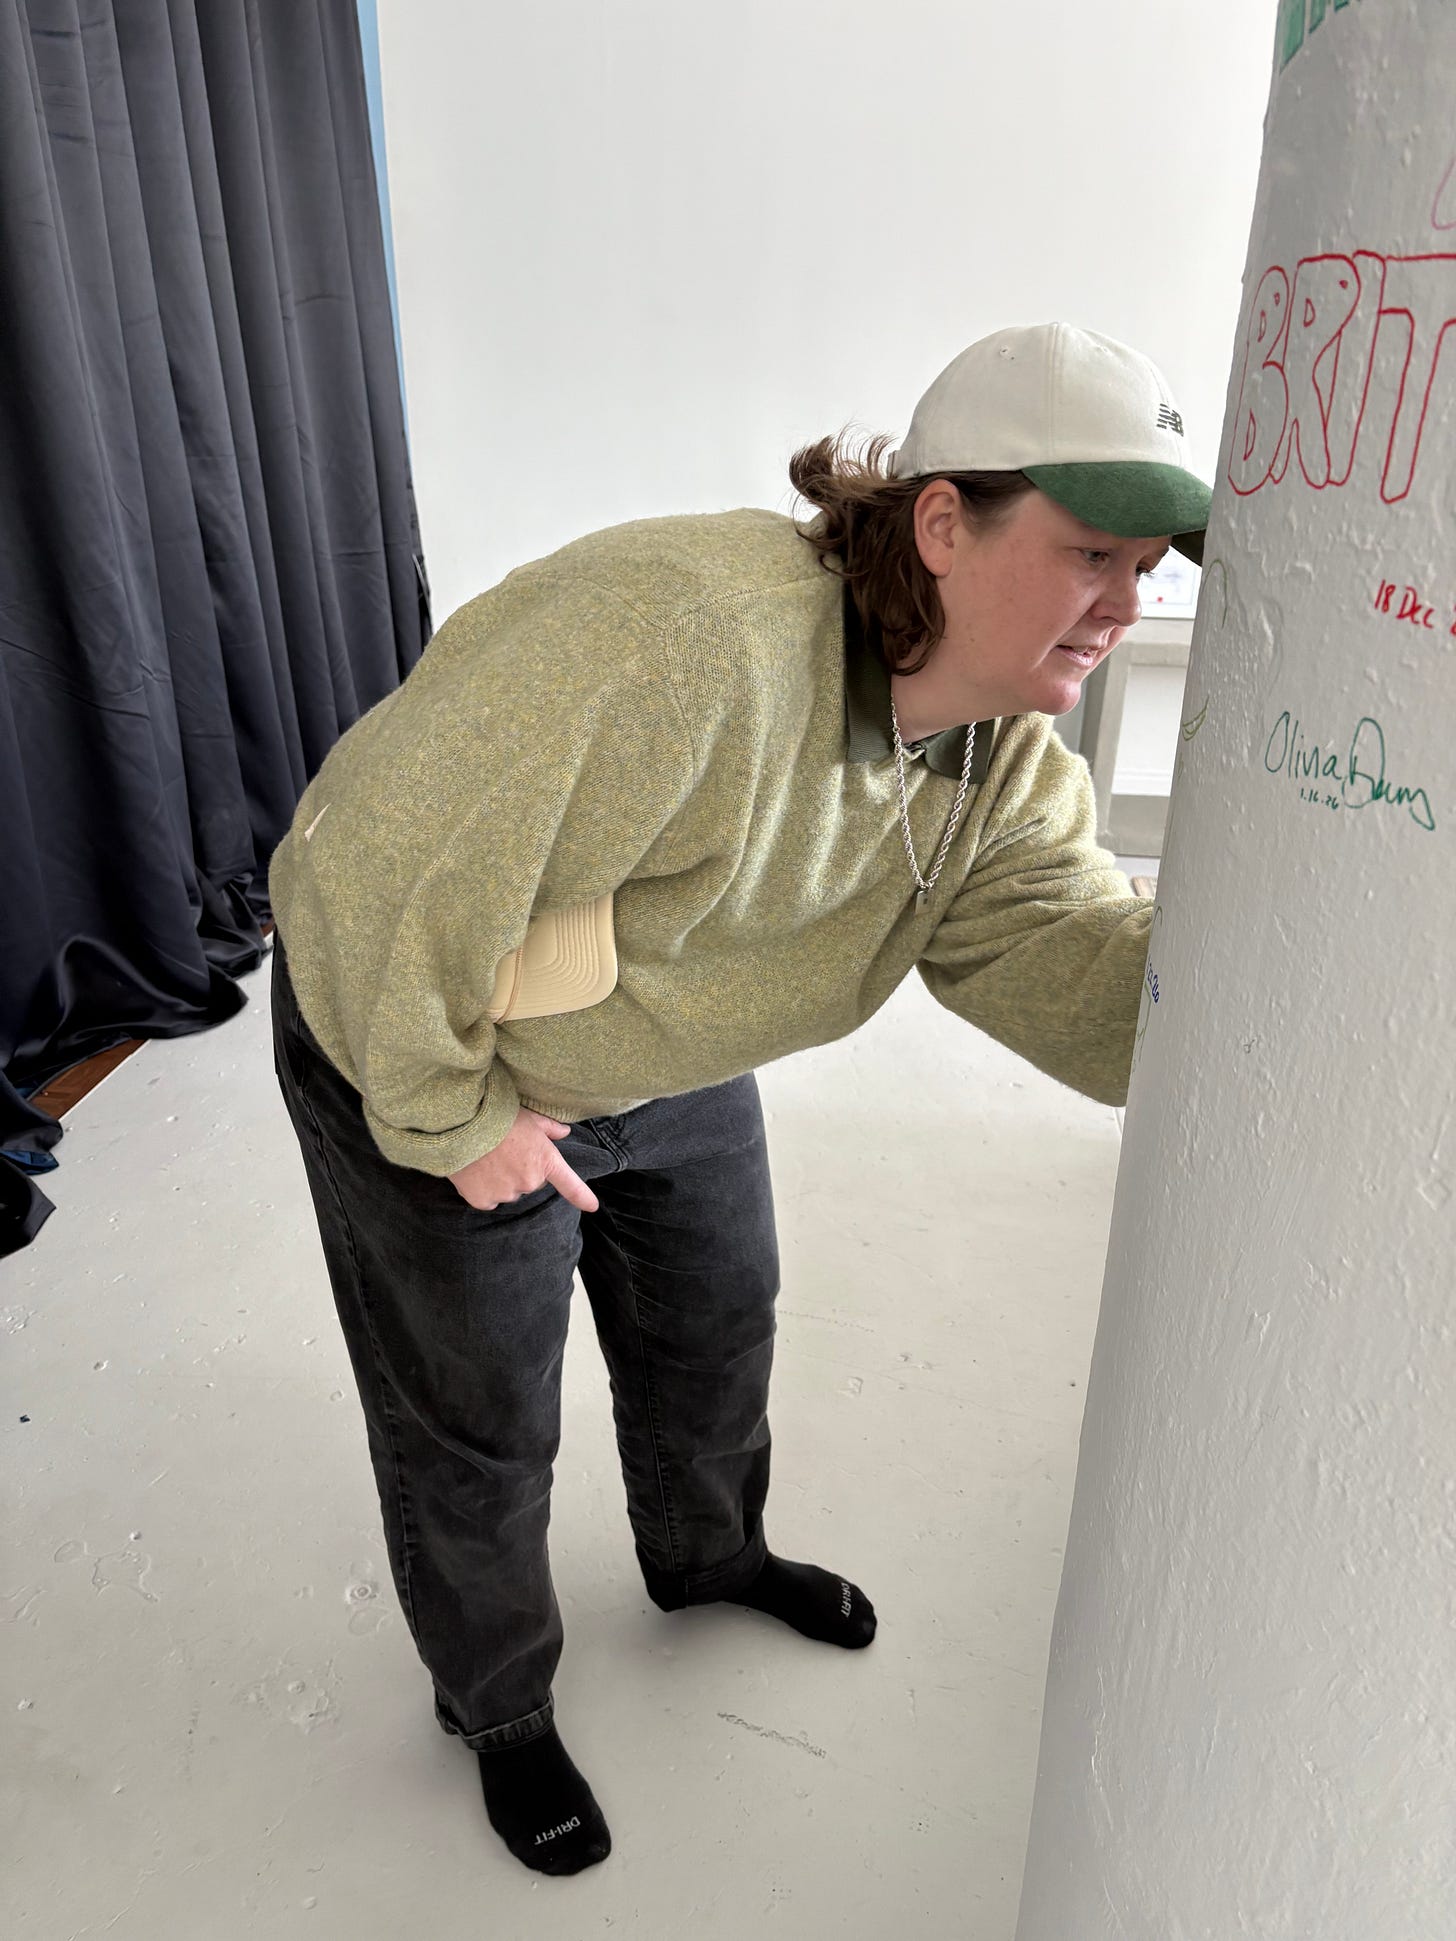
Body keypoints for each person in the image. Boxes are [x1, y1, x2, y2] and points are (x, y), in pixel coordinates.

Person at [268, 321, 1211, 1876]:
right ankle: (499, 1704)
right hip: (432, 1045)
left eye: (1149, 567)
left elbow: (1087, 990)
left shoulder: (1000, 773)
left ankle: (707, 1557)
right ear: (941, 522)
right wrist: (449, 1118)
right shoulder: (686, 640)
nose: (1128, 603)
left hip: (663, 1042)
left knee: (715, 1331)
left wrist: (1278, 958)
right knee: (478, 1424)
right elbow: (366, 867)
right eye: (1092, 552)